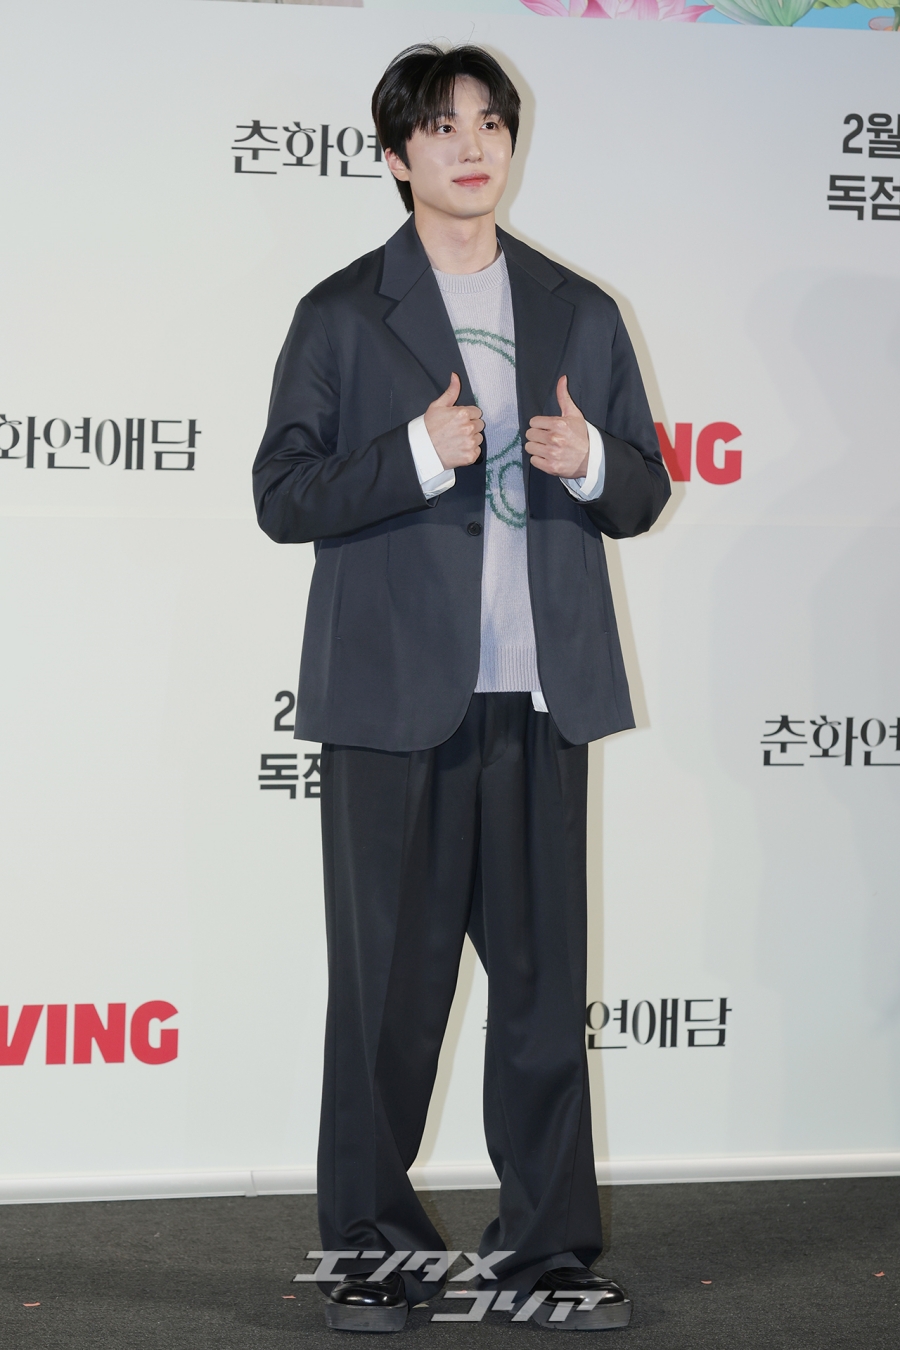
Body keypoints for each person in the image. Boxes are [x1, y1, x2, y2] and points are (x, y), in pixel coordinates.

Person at [253, 43, 670, 1333]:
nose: (471, 145)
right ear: (396, 157)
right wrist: (417, 456)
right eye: (440, 127)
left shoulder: (579, 309)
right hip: (392, 707)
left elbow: (643, 489)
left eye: (489, 122)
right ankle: (371, 1255)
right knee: (388, 1000)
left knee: (542, 1001)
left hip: (539, 700)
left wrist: (591, 459)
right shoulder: (342, 311)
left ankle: (545, 1257)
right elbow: (283, 495)